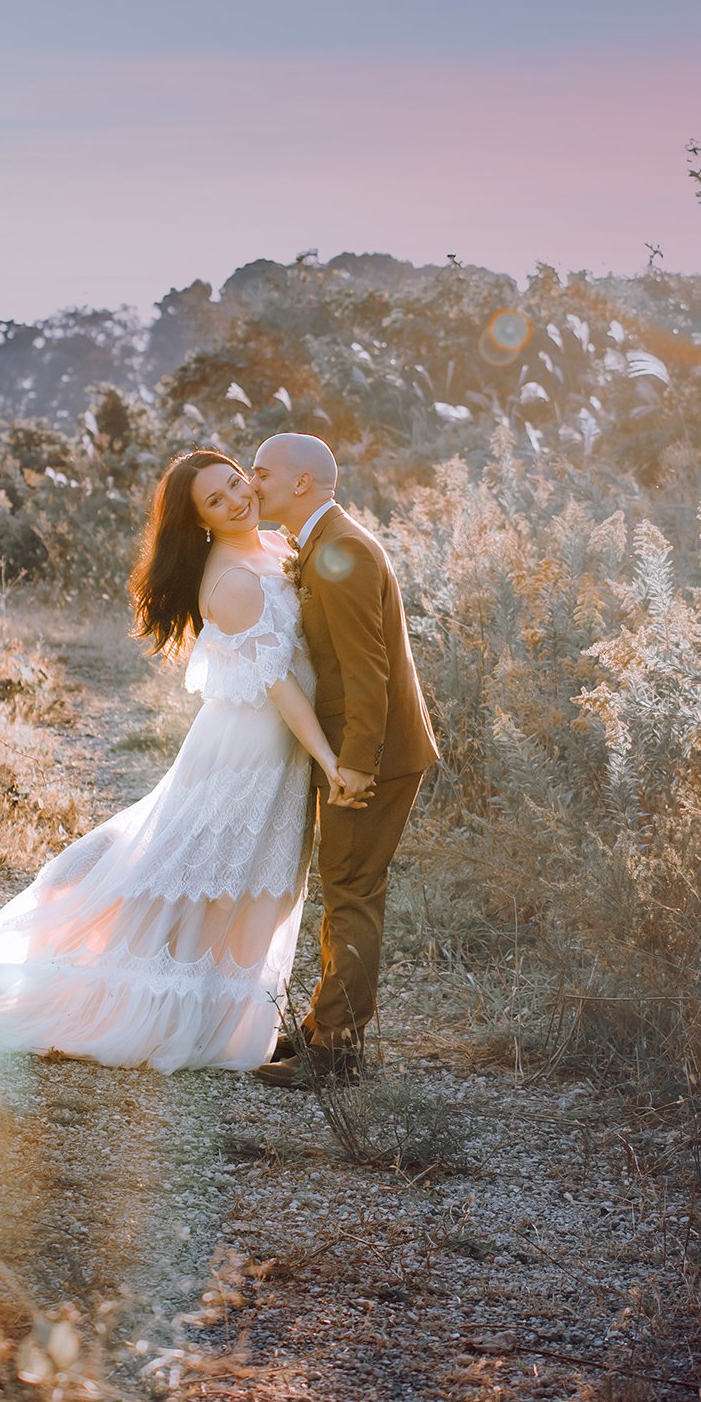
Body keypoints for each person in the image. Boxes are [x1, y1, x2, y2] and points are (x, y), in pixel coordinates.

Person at [0, 449, 338, 1071]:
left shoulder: (275, 547)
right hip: (250, 749)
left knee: (257, 880)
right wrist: (331, 760)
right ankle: (176, 1012)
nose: (236, 499)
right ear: (199, 520)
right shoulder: (230, 578)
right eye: (216, 500)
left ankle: (224, 1016)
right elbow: (281, 682)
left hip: (273, 744)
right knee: (209, 876)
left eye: (236, 484)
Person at [249, 432, 439, 1089]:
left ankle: (336, 1051)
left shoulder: (344, 550)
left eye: (263, 472)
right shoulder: (324, 543)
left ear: (303, 482)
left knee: (352, 890)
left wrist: (356, 763)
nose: (253, 483)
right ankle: (321, 1025)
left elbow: (369, 671)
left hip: (375, 754)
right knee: (342, 886)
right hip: (361, 747)